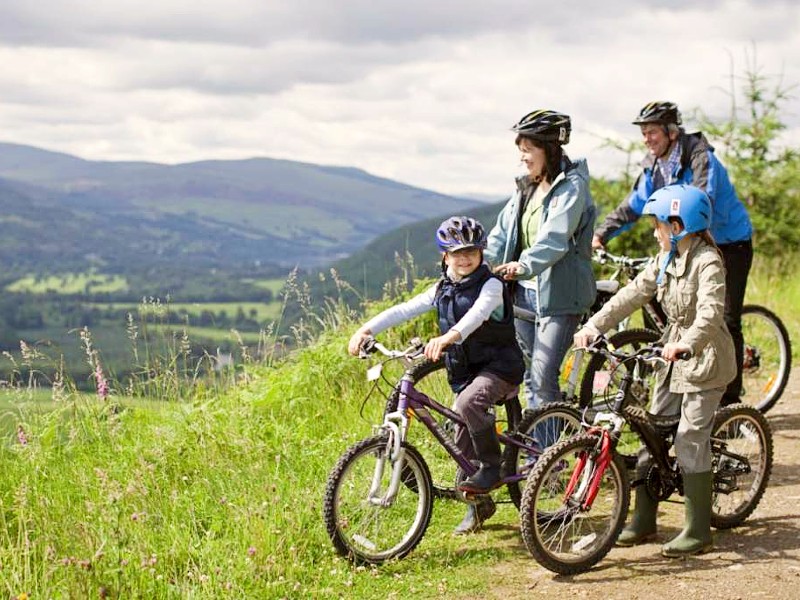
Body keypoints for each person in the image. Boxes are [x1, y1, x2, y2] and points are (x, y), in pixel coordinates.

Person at [575, 183, 736, 557]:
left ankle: (698, 530)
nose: (654, 232)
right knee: (650, 429)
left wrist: (687, 343)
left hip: (705, 356)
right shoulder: (664, 258)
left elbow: (711, 313)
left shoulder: (707, 261)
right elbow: (631, 294)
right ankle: (644, 518)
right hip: (672, 355)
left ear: (679, 225)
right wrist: (593, 327)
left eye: (658, 224)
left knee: (689, 437)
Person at [347, 216, 525, 535]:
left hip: (499, 367)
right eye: (457, 253)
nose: (465, 258)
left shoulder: (492, 286)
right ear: (445, 257)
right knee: (460, 434)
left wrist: (448, 337)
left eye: (471, 251)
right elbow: (405, 309)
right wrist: (366, 329)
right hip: (465, 369)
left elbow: (477, 316)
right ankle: (478, 504)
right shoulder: (442, 288)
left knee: (469, 404)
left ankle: (492, 468)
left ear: (482, 254)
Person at [592, 101, 752, 406]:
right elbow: (633, 205)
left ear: (672, 132)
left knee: (725, 319)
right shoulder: (654, 166)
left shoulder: (701, 158)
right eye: (643, 133)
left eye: (652, 131)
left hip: (728, 243)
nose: (647, 139)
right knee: (660, 307)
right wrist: (602, 232)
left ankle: (730, 403)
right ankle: (674, 385)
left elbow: (703, 200)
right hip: (680, 242)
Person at [485, 109, 596, 411]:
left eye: (528, 151)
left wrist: (522, 265)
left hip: (559, 297)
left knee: (543, 377)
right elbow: (501, 233)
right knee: (531, 380)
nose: (523, 158)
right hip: (523, 294)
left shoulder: (572, 188)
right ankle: (543, 452)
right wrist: (477, 263)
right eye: (521, 151)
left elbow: (555, 238)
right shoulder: (527, 187)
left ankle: (552, 457)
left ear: (548, 149)